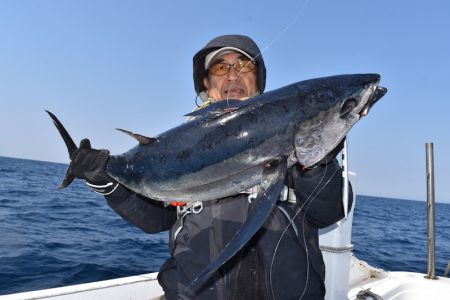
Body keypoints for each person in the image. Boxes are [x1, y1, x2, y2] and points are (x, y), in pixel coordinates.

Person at [69, 34, 352, 300]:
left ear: (258, 79)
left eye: (244, 65)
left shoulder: (292, 139)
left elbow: (328, 213)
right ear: (206, 83)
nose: (232, 74)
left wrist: (319, 160)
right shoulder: (175, 151)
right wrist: (108, 183)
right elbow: (155, 220)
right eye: (220, 67)